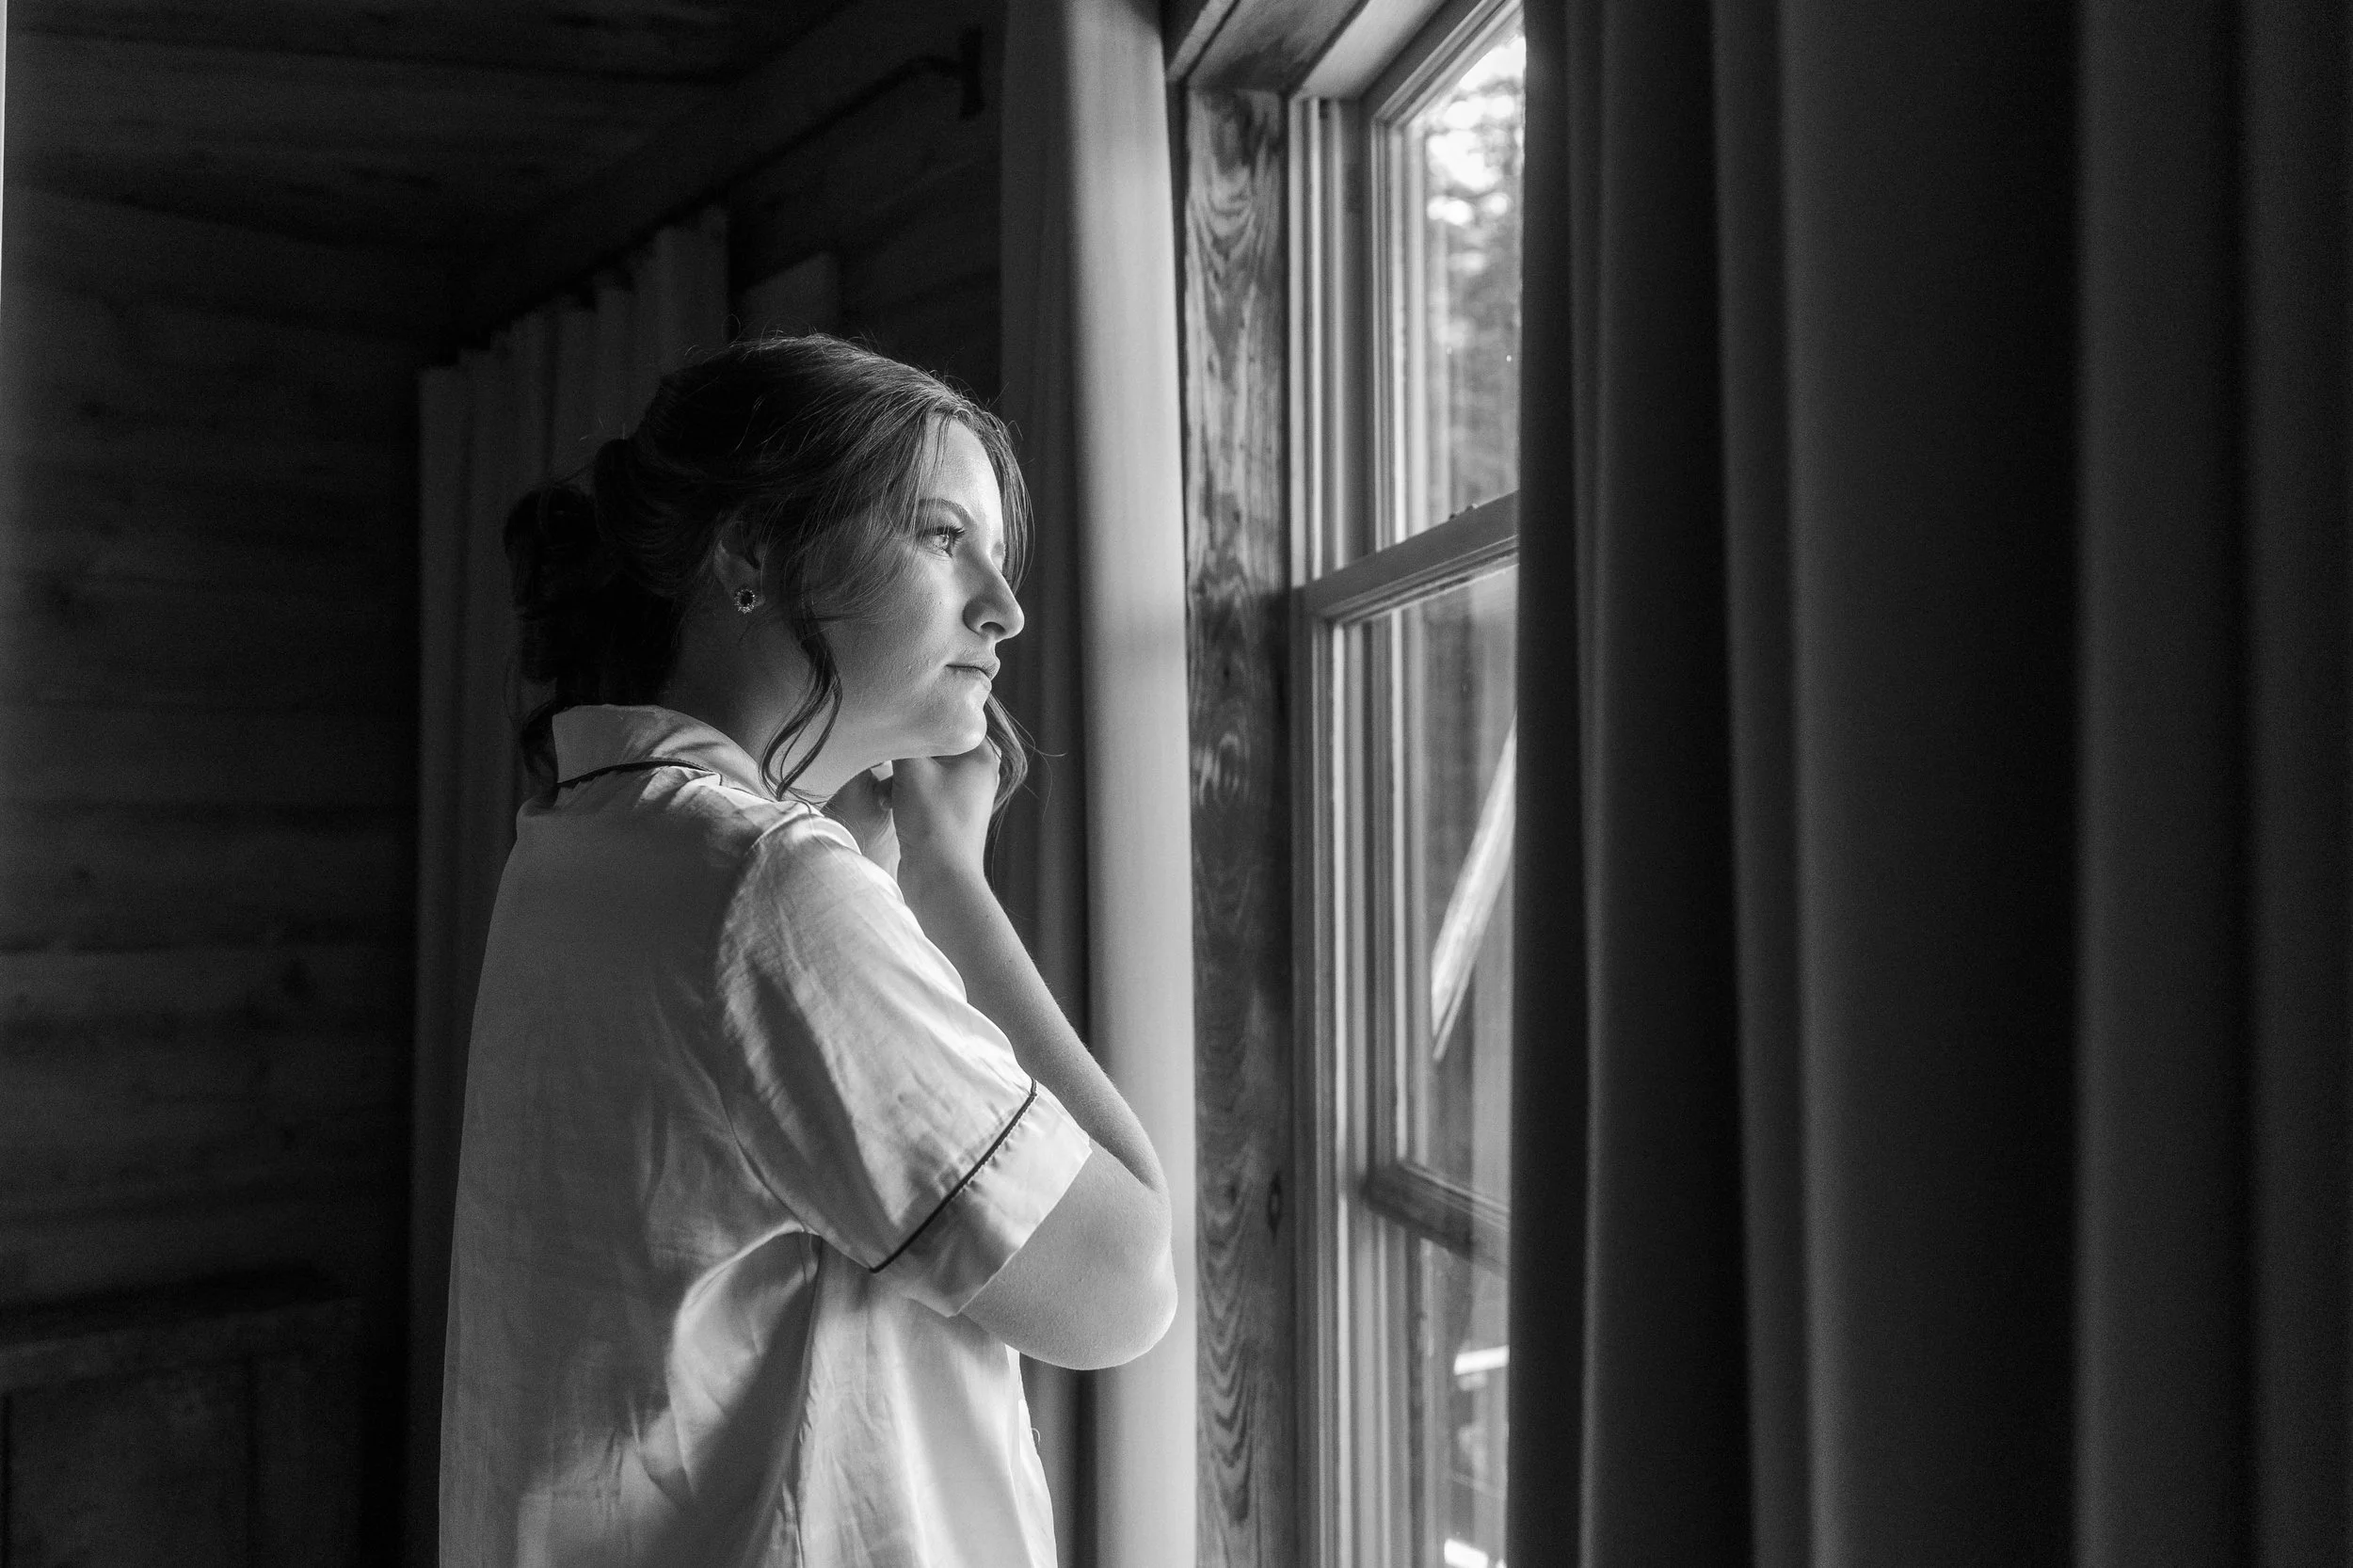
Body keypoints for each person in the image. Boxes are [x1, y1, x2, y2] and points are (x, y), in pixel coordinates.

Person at [440, 333, 1176, 1568]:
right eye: (944, 538)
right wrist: (950, 879)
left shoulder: (583, 838)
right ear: (754, 554)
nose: (1004, 605)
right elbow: (1123, 1283)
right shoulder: (764, 885)